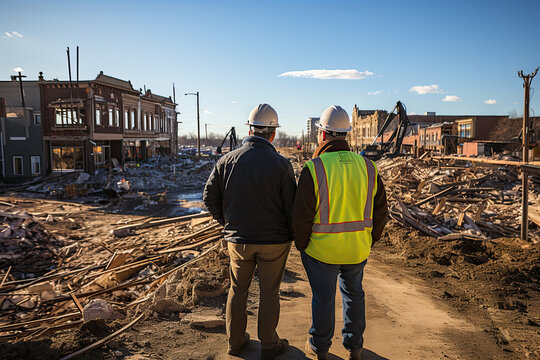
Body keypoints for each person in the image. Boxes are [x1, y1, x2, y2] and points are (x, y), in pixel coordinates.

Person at [293, 105, 388, 360]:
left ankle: (319, 348)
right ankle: (354, 347)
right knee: (354, 295)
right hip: (357, 249)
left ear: (322, 134)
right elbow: (382, 212)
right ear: (346, 134)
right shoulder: (368, 167)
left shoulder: (314, 168)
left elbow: (301, 217)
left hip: (322, 251)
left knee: (324, 298)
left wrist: (302, 245)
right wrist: (370, 239)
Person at [203, 103, 296, 359]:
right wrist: (290, 235)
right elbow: (292, 207)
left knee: (237, 289)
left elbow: (209, 197)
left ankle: (235, 343)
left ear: (249, 130)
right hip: (274, 242)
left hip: (239, 240)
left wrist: (229, 224)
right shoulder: (281, 165)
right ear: (273, 134)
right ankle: (269, 345)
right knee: (269, 292)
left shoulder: (226, 161)